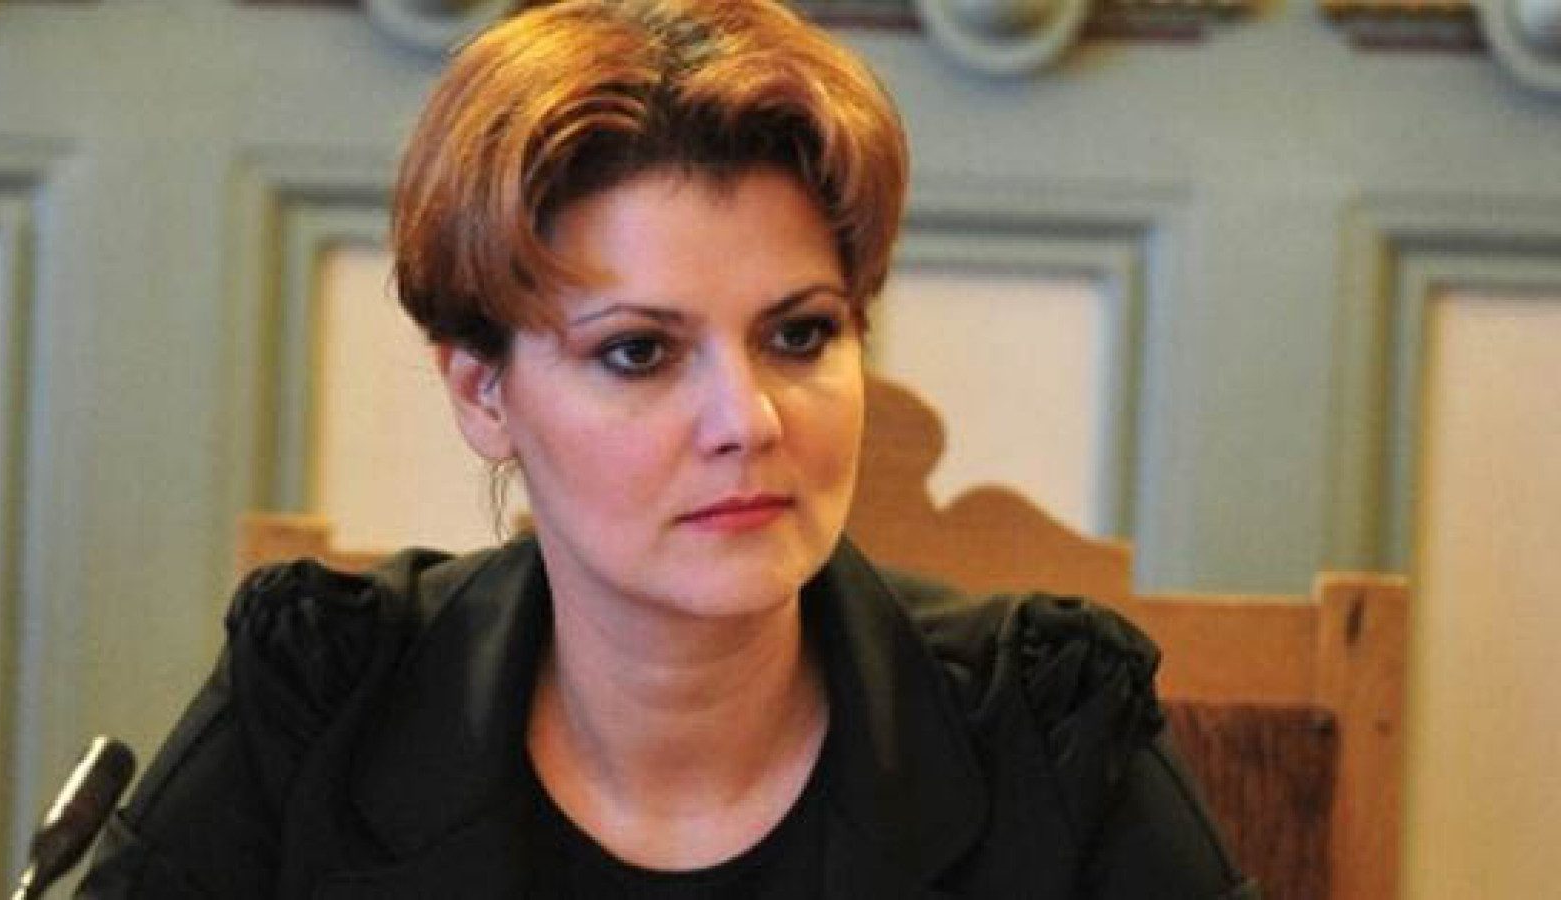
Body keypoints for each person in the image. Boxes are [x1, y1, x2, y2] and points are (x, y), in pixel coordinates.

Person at [78, 0, 1256, 896]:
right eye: (639, 352)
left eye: (799, 334)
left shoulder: (1049, 735)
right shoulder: (320, 708)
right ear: (482, 392)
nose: (749, 419)